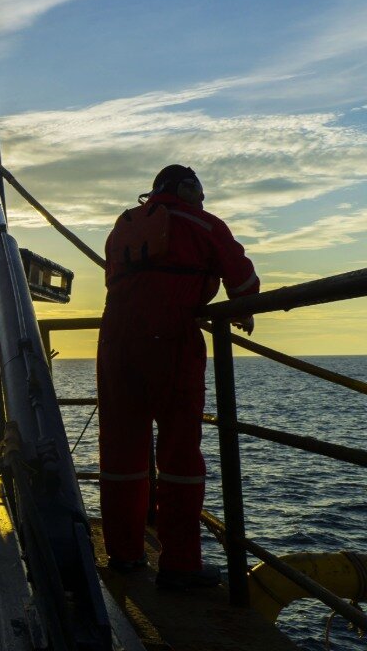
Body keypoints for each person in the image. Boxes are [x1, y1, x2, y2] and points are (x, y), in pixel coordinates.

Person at [97, 165, 259, 589]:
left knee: (121, 452)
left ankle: (124, 554)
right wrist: (242, 310)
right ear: (187, 189)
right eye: (199, 192)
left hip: (115, 345)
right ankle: (180, 564)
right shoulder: (203, 224)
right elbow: (244, 283)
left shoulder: (124, 227)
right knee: (179, 456)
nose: (202, 200)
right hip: (171, 343)